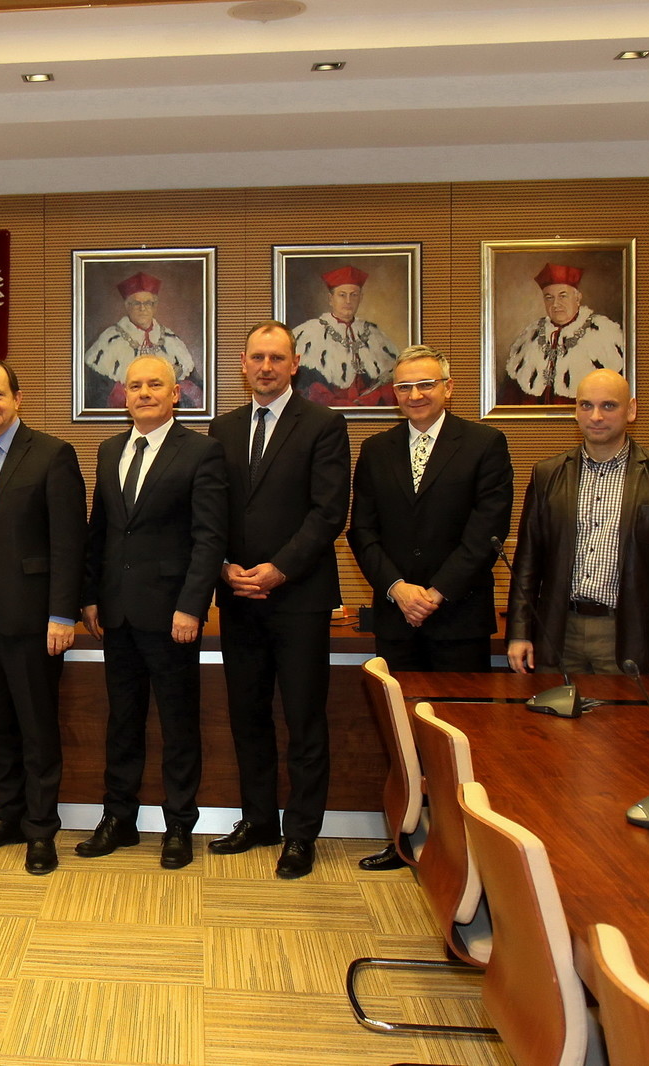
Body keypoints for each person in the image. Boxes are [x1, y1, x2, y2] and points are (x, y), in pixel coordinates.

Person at [346, 345, 512, 870]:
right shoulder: (376, 449)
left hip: (457, 617)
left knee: (460, 738)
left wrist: (435, 592)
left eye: (425, 384)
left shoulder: (484, 443)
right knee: (404, 737)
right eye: (404, 387)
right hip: (398, 619)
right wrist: (398, 588)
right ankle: (407, 837)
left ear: (447, 387)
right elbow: (361, 531)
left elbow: (487, 531)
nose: (414, 395)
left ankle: (463, 851)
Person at [207, 321, 350, 880]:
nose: (266, 367)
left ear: (295, 365)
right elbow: (212, 511)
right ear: (243, 364)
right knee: (248, 717)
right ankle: (259, 819)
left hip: (299, 599)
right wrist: (224, 566)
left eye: (277, 358)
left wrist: (279, 569)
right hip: (239, 597)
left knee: (304, 720)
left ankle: (301, 834)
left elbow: (328, 512)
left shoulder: (323, 424)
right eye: (257, 357)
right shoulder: (222, 429)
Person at [77, 355, 227, 870]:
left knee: (178, 724)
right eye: (135, 386)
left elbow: (209, 537)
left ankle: (179, 824)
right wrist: (90, 595)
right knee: (122, 721)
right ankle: (118, 817)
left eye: (154, 385)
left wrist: (192, 605)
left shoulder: (201, 451)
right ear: (124, 394)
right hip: (116, 613)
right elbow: (100, 529)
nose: (143, 393)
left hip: (171, 616)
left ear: (175, 393)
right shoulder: (109, 449)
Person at [0, 359, 86, 875]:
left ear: (17, 397)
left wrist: (62, 613)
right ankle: (5, 814)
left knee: (36, 727)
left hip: (33, 619)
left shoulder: (52, 454)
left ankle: (41, 828)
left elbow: (69, 542)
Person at [507, 368, 649, 676]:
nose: (596, 416)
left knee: (628, 711)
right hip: (558, 632)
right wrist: (519, 632)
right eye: (586, 405)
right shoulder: (547, 475)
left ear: (630, 410)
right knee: (552, 709)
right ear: (576, 411)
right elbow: (527, 562)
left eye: (609, 405)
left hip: (629, 635)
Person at [501, 263, 626, 405]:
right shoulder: (530, 336)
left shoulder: (603, 333)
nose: (555, 304)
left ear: (577, 298)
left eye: (563, 296)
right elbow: (510, 397)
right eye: (549, 297)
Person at [83, 272, 201, 410]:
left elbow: (195, 387)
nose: (142, 308)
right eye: (136, 303)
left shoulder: (171, 339)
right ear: (127, 306)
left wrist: (174, 376)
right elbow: (97, 396)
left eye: (148, 303)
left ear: (155, 306)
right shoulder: (110, 339)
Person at [292, 265, 399, 407]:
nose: (348, 301)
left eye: (354, 295)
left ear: (360, 298)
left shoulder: (375, 334)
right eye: (342, 295)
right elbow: (305, 386)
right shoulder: (309, 332)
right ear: (331, 299)